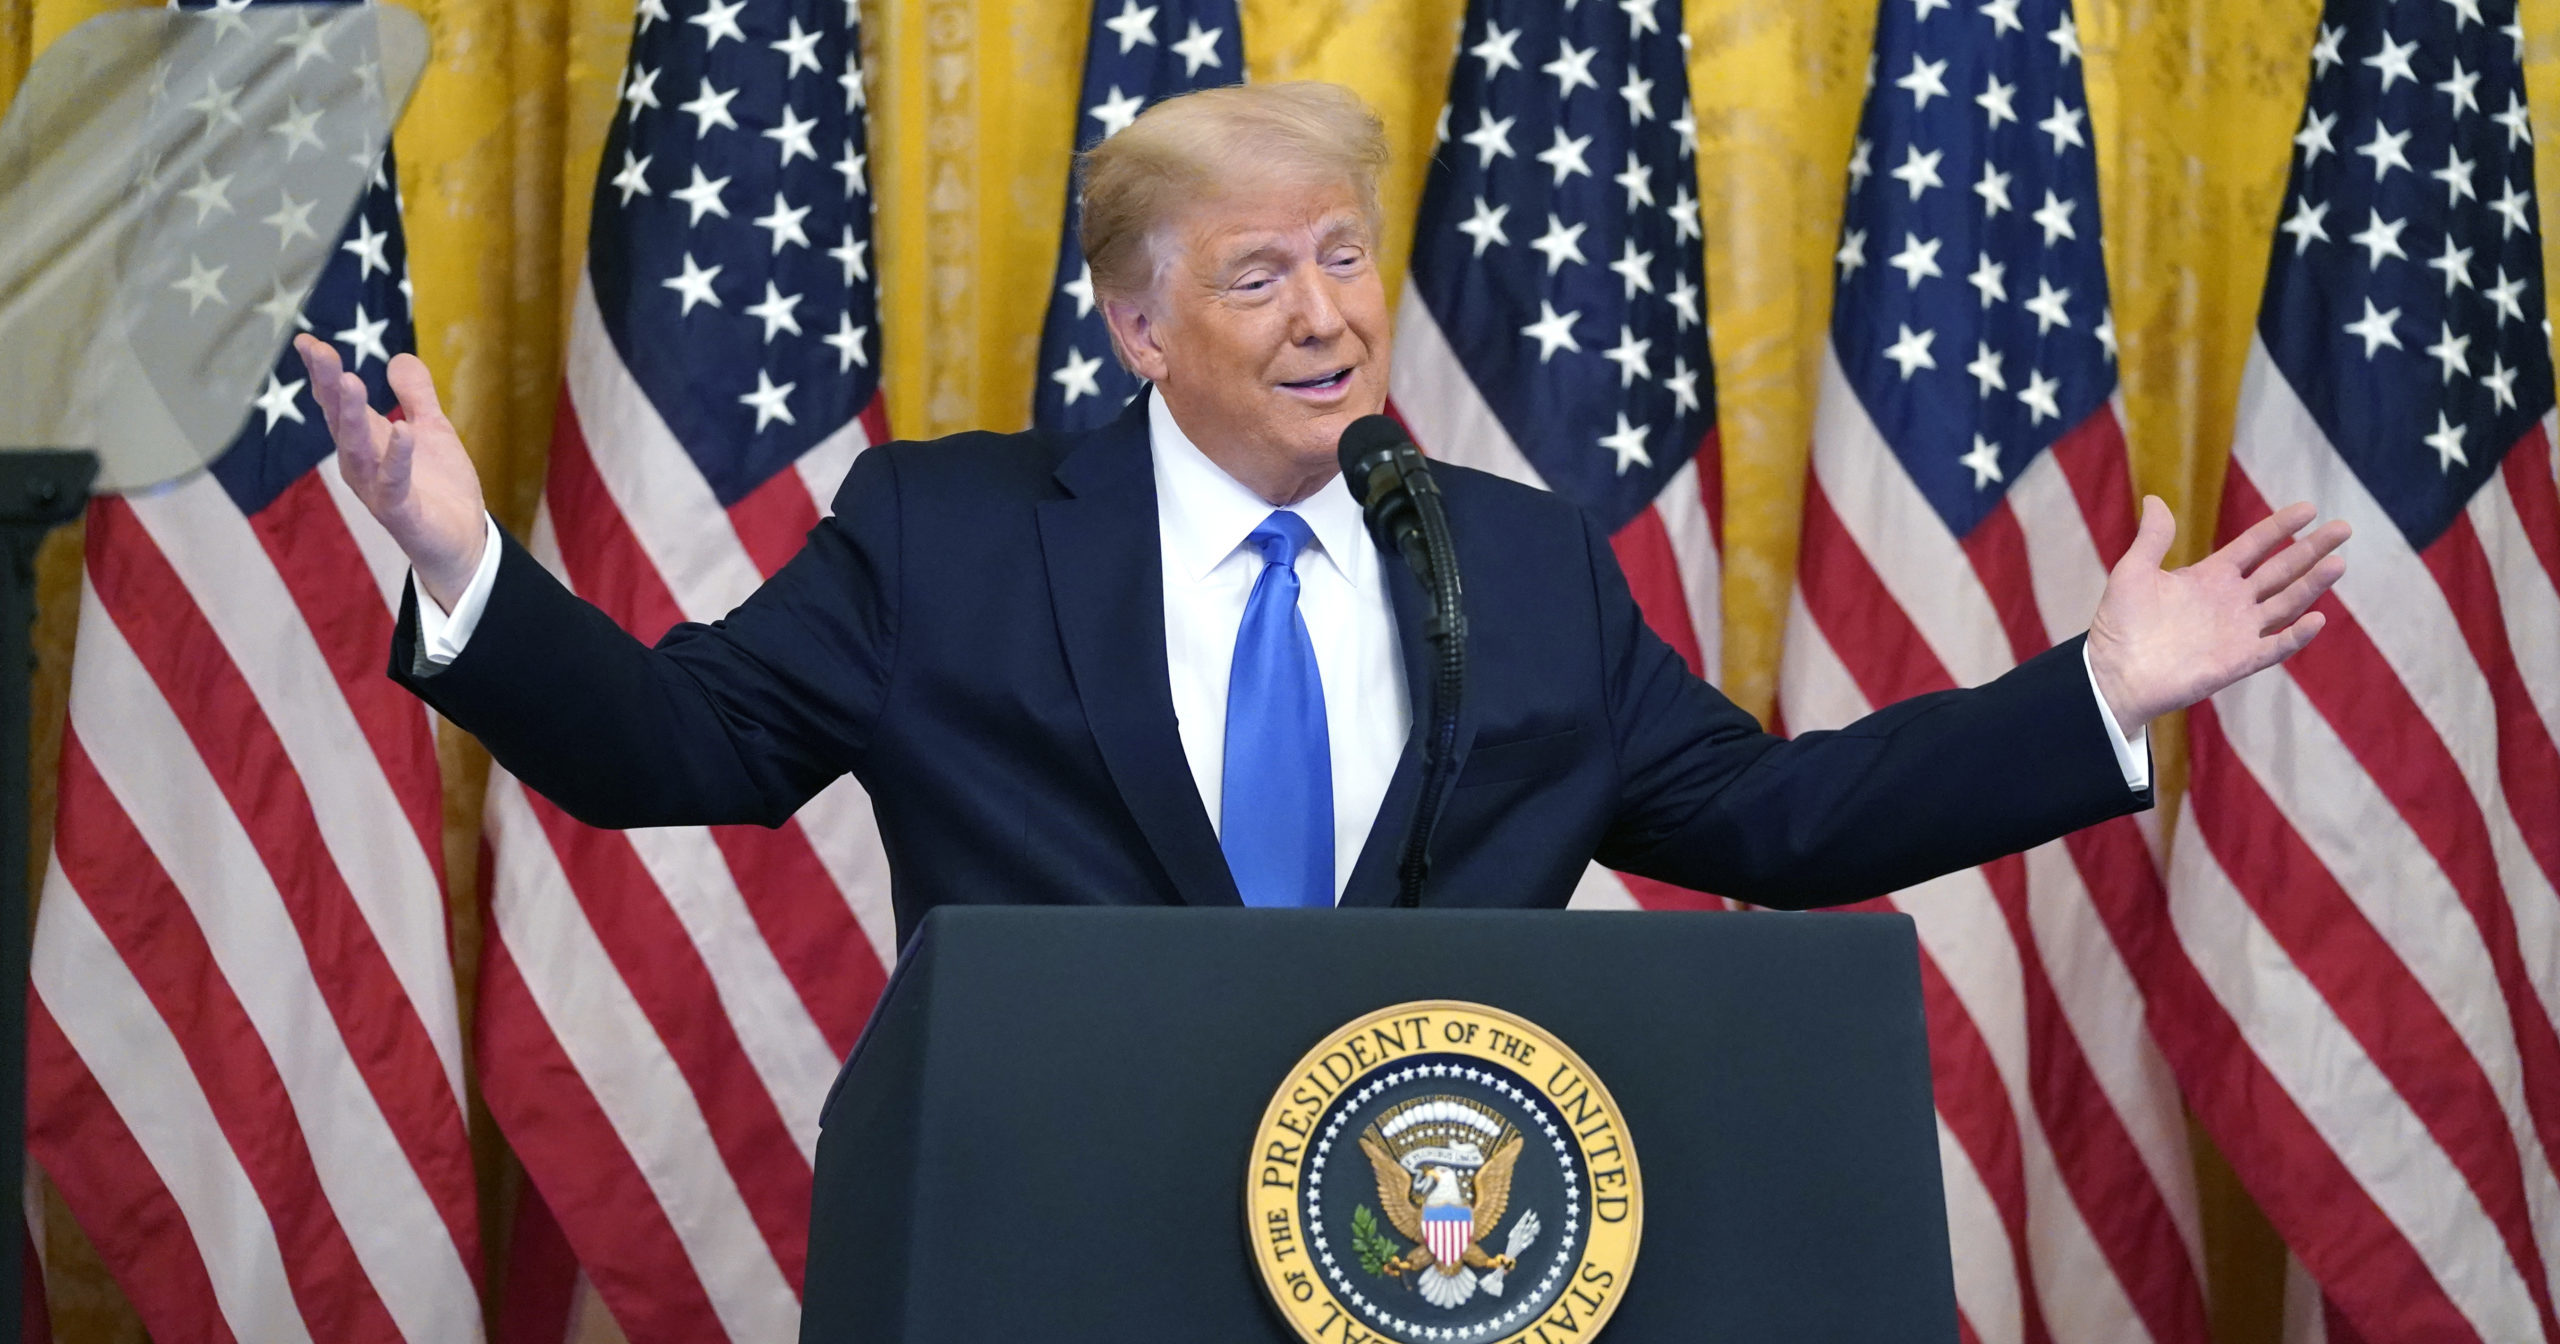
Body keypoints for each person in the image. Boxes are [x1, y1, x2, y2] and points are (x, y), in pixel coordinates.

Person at [292, 82, 2346, 939]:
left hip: (1432, 1237)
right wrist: (461, 561)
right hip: (1054, 1245)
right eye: (1259, 277)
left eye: (1346, 259)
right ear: (1133, 326)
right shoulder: (944, 537)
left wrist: (2096, 691)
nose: (1329, 315)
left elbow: (1765, 827)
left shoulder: (1517, 557)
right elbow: (682, 757)